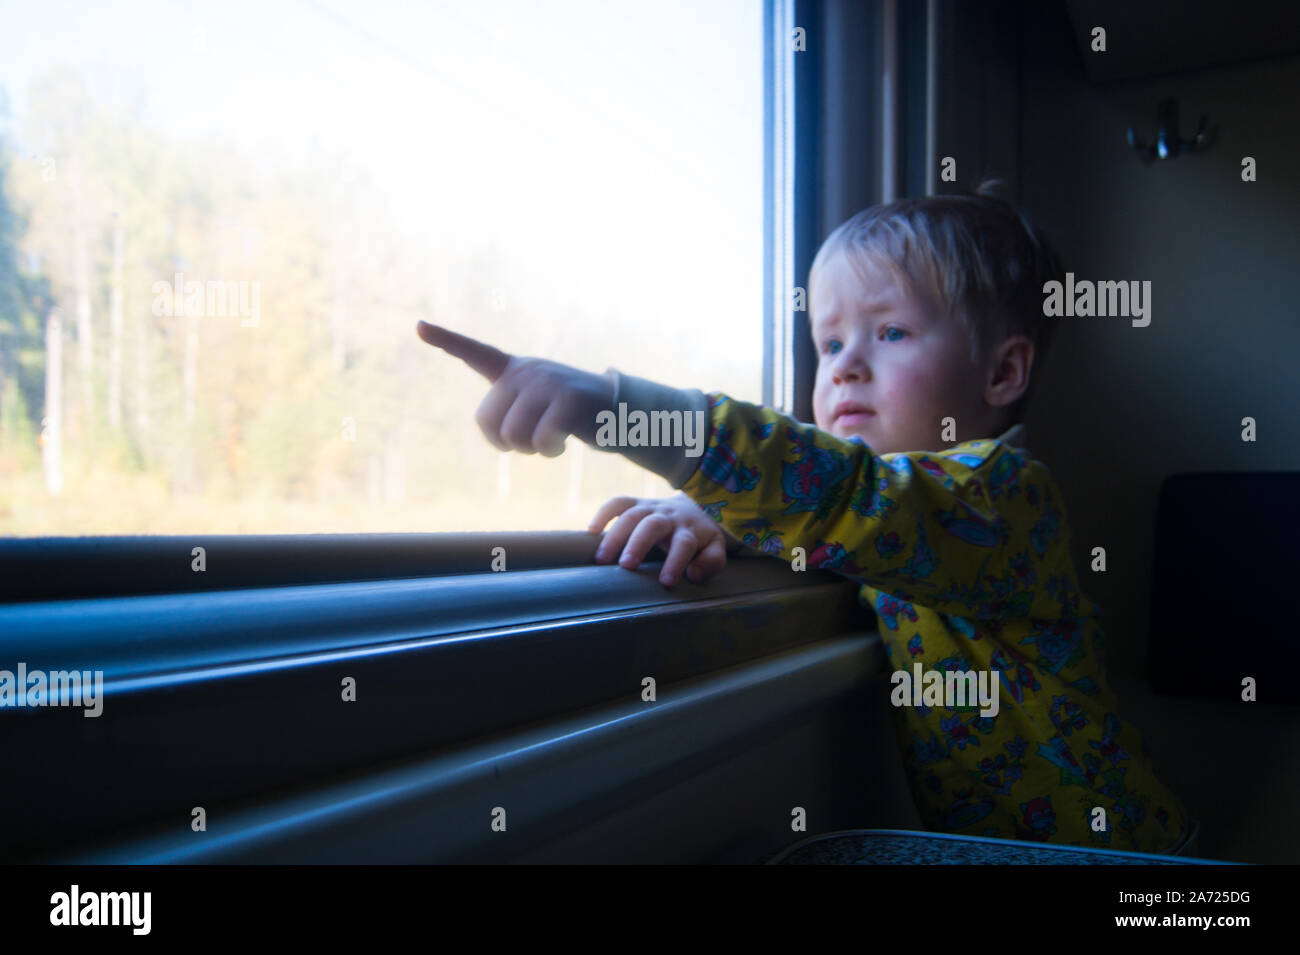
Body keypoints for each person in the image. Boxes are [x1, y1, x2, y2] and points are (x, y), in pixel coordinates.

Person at [415, 181, 1195, 854]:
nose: (846, 363)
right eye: (829, 342)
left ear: (1002, 371)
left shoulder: (1002, 495)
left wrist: (621, 411)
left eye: (890, 332)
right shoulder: (890, 510)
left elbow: (845, 502)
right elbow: (825, 517)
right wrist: (710, 512)